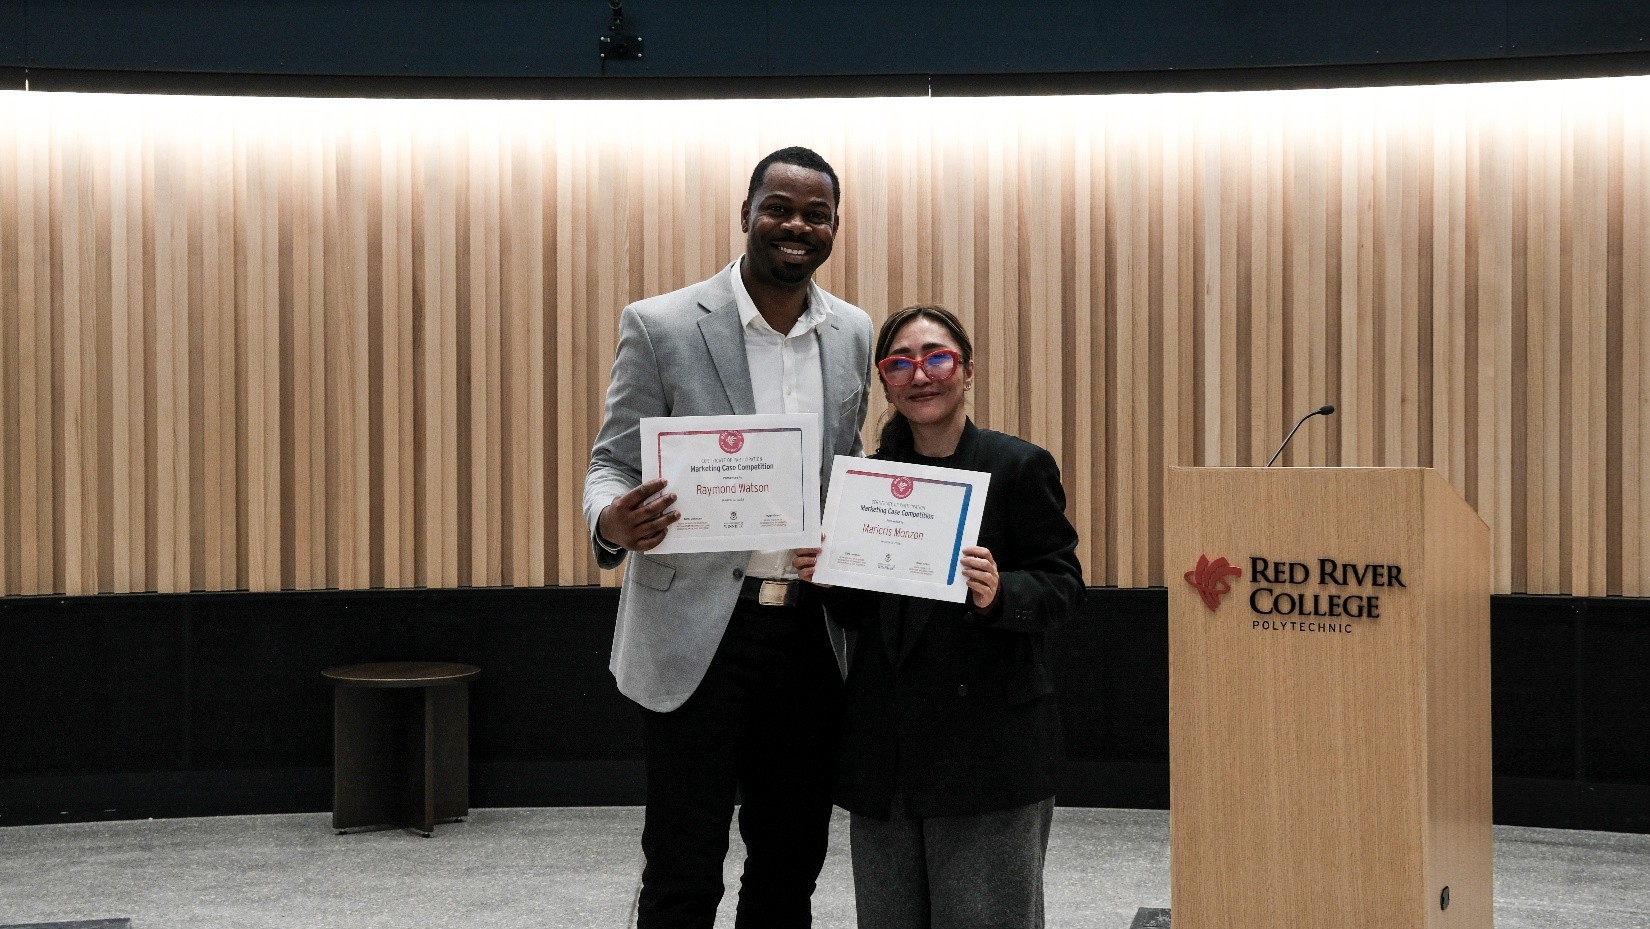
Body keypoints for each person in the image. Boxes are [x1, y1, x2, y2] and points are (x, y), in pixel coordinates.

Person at [583, 146, 874, 929]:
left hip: (811, 633)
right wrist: (611, 520)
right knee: (683, 865)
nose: (796, 225)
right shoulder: (661, 324)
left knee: (790, 861)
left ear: (834, 226)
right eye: (779, 207)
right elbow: (610, 464)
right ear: (746, 213)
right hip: (695, 629)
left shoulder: (852, 331)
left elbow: (846, 463)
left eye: (816, 214)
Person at [794, 305, 1085, 929]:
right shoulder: (870, 480)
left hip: (986, 753)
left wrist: (1000, 592)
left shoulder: (1017, 466)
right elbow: (861, 614)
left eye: (936, 358)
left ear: (967, 370)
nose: (920, 375)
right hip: (886, 754)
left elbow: (1063, 585)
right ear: (884, 381)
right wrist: (830, 579)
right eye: (900, 363)